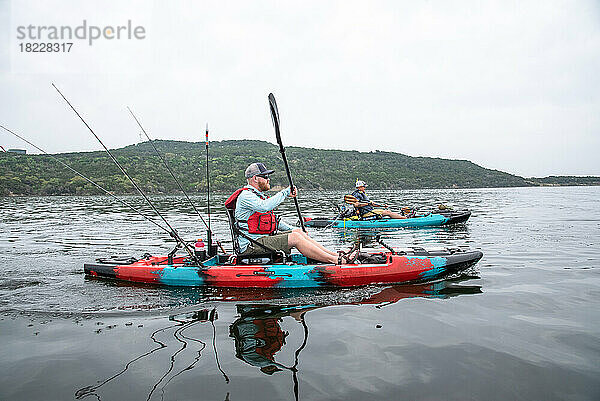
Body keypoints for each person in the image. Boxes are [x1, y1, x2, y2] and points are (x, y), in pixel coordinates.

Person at [229, 162, 351, 264]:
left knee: (297, 232)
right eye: (265, 177)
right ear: (255, 178)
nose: (268, 179)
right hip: (251, 245)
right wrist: (285, 192)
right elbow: (264, 207)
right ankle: (335, 260)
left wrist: (296, 229)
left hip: (262, 240)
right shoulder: (246, 196)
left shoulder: (258, 196)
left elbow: (275, 222)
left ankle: (335, 255)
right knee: (295, 238)